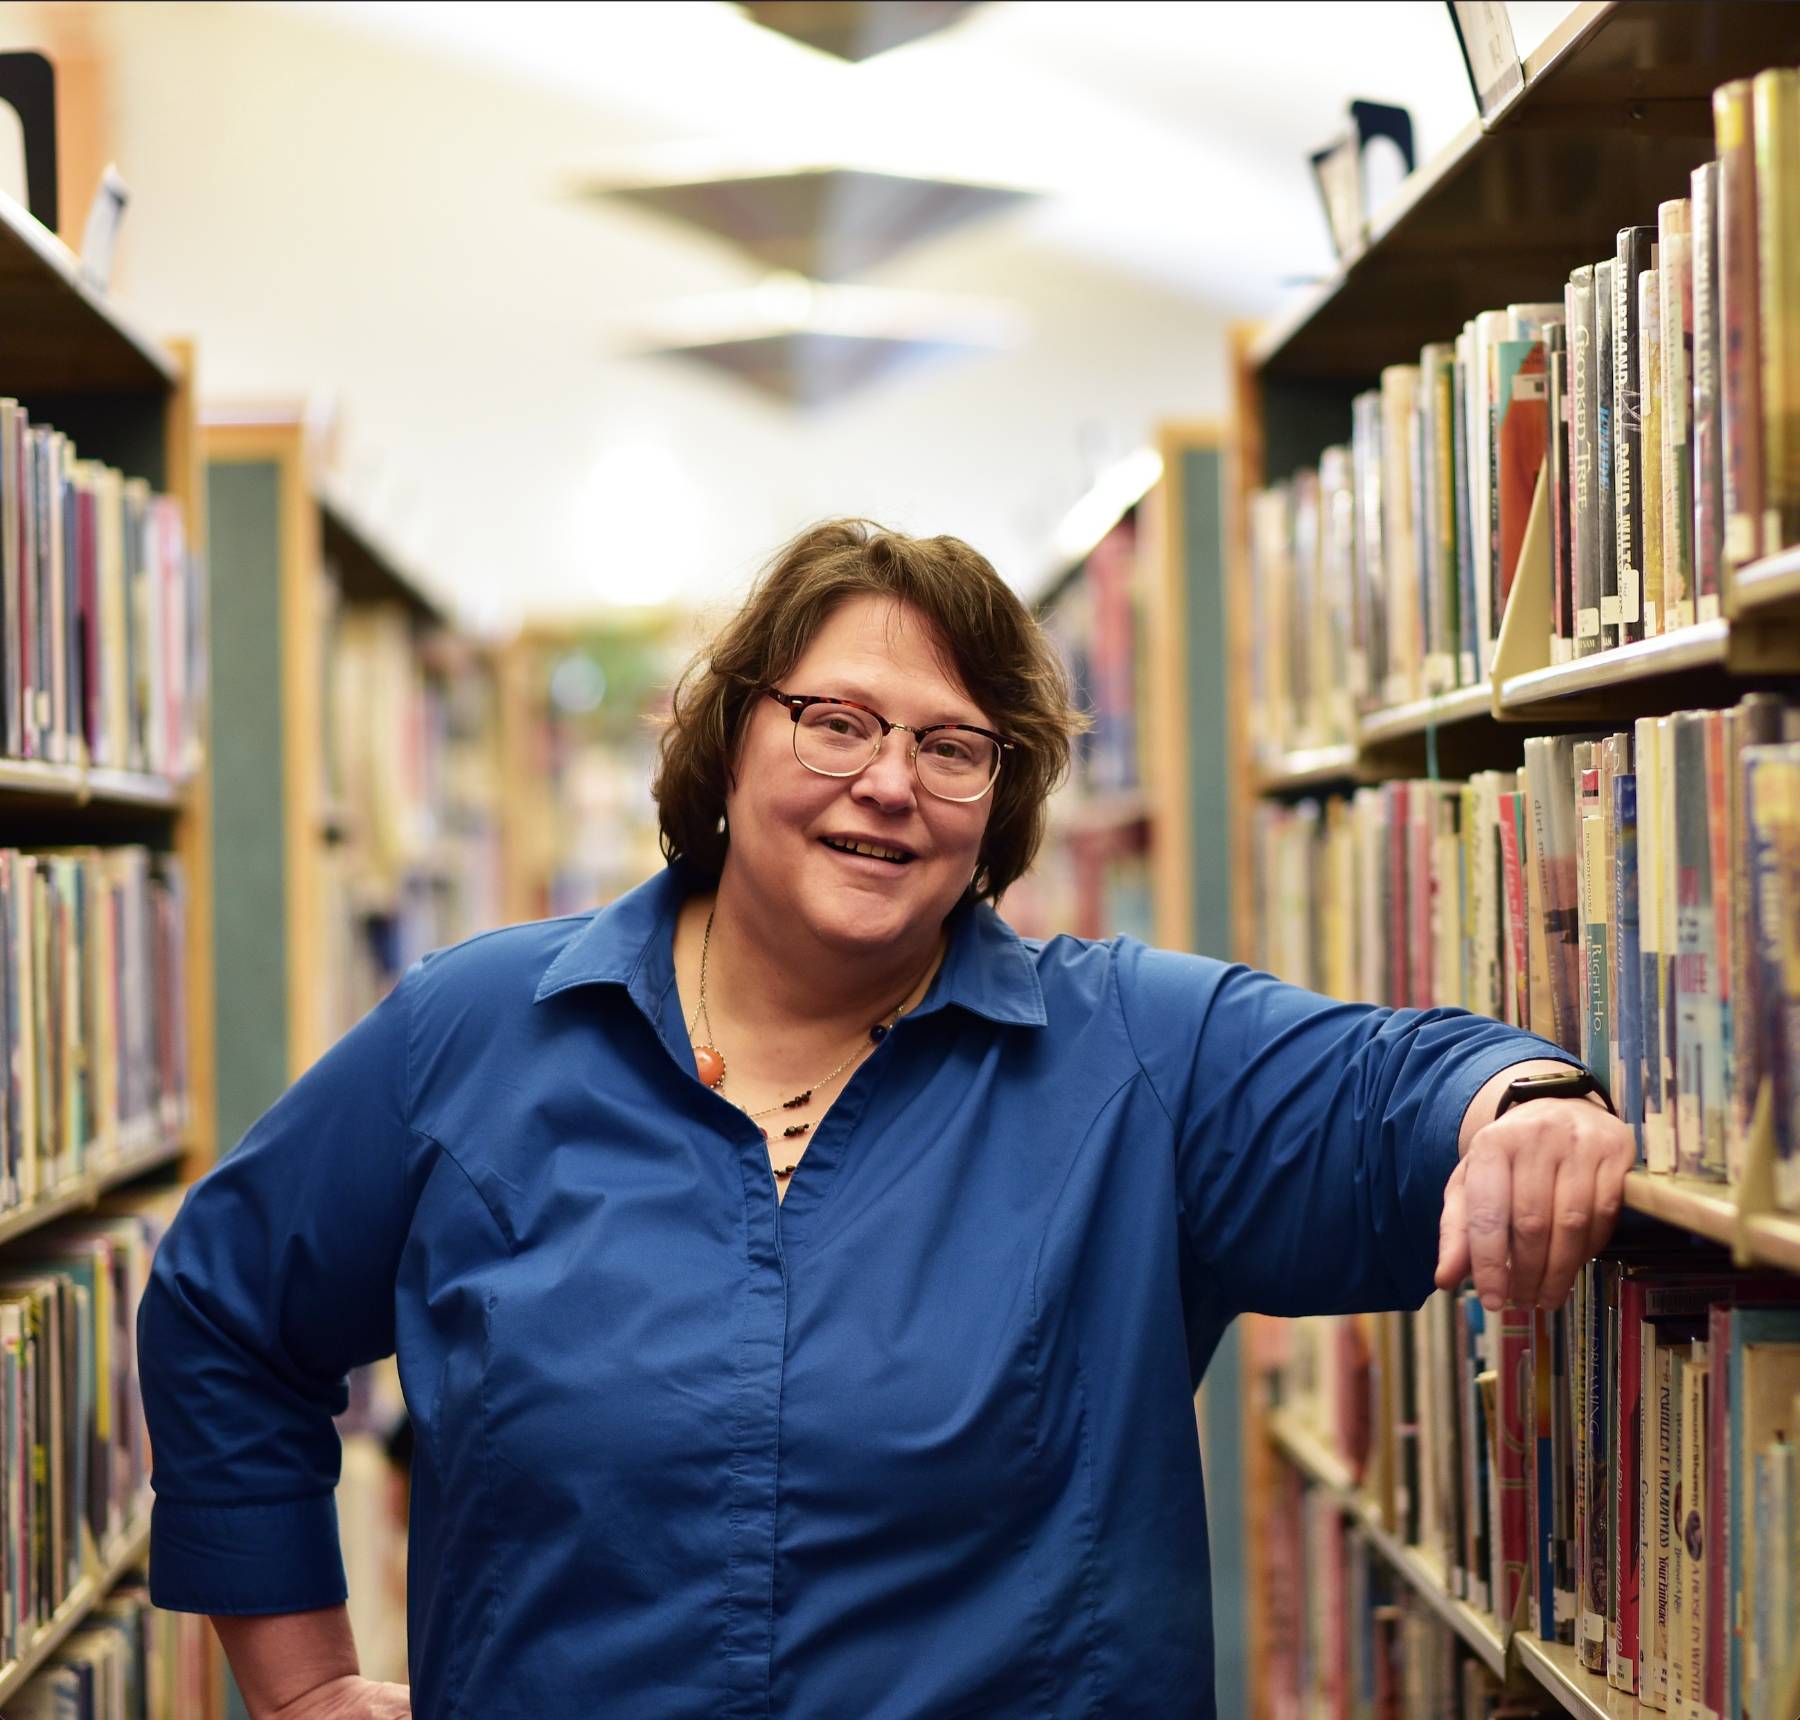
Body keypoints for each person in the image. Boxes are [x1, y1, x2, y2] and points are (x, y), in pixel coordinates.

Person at [139, 520, 1635, 1719]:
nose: (890, 785)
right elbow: (225, 1309)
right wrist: (306, 1682)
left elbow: (1403, 1087)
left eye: (954, 746)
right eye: (836, 723)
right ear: (731, 742)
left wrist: (1530, 1103)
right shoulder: (480, 1031)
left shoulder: (1128, 1050)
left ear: (1004, 799)